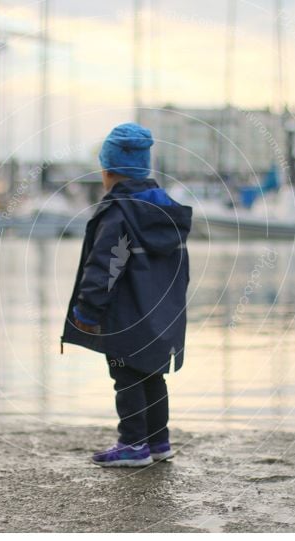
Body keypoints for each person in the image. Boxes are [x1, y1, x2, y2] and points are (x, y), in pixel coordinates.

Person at [60, 122, 193, 467]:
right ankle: (158, 441)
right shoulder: (166, 213)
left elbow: (104, 266)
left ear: (108, 171)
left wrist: (87, 312)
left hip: (126, 314)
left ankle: (133, 444)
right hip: (161, 313)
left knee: (125, 375)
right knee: (152, 374)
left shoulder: (118, 213)